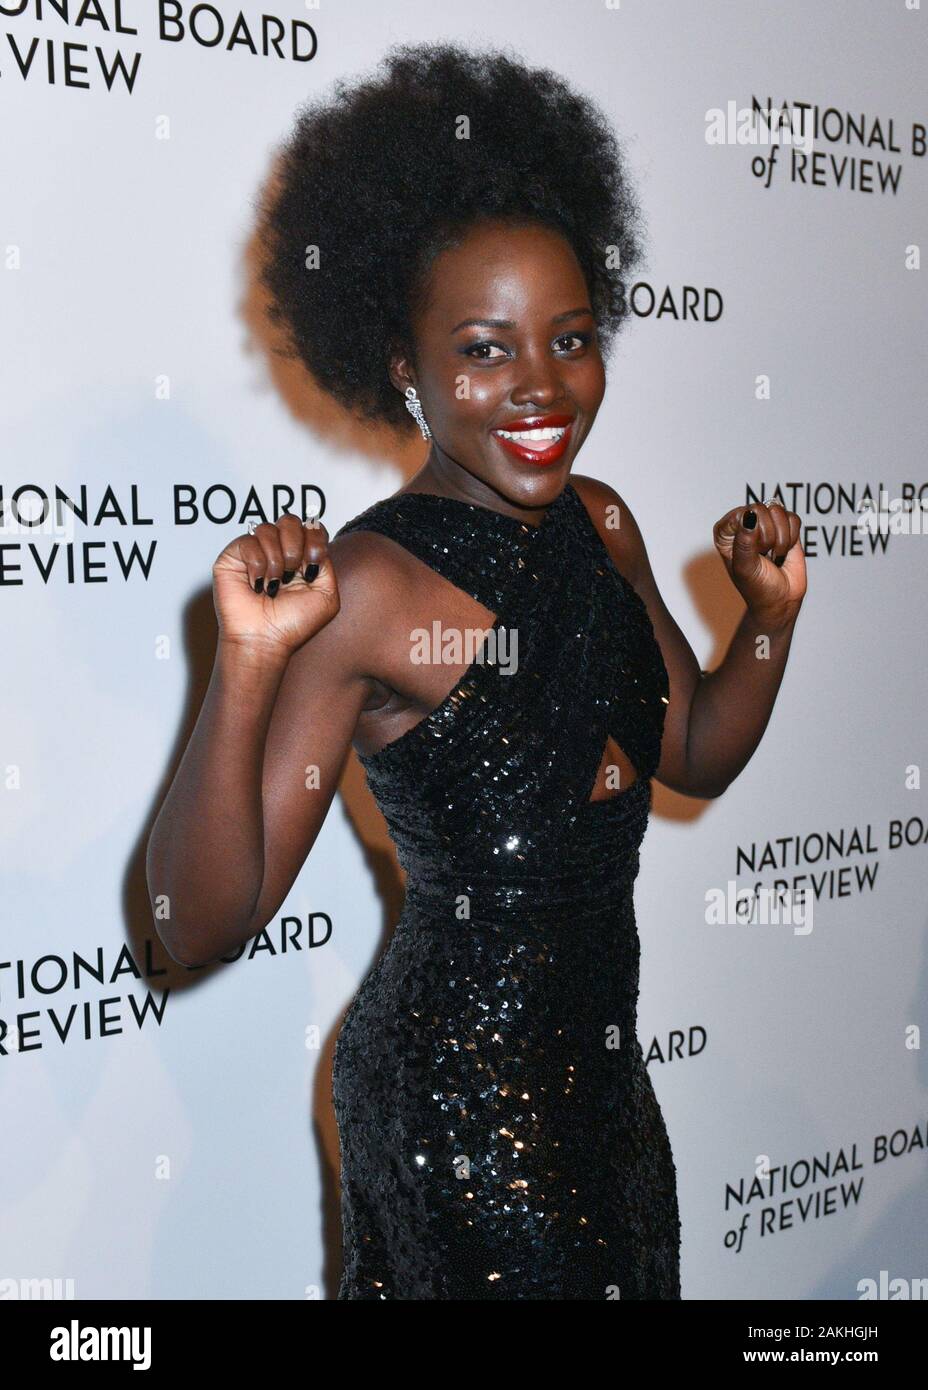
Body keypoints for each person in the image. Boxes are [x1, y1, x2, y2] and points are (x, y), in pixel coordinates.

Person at [146, 42, 806, 1300]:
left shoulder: (599, 524)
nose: (541, 389)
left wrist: (767, 621)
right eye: (485, 350)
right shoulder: (370, 590)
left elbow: (696, 748)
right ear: (403, 364)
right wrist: (244, 665)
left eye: (568, 339)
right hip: (460, 1112)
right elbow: (195, 923)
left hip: (608, 1092)